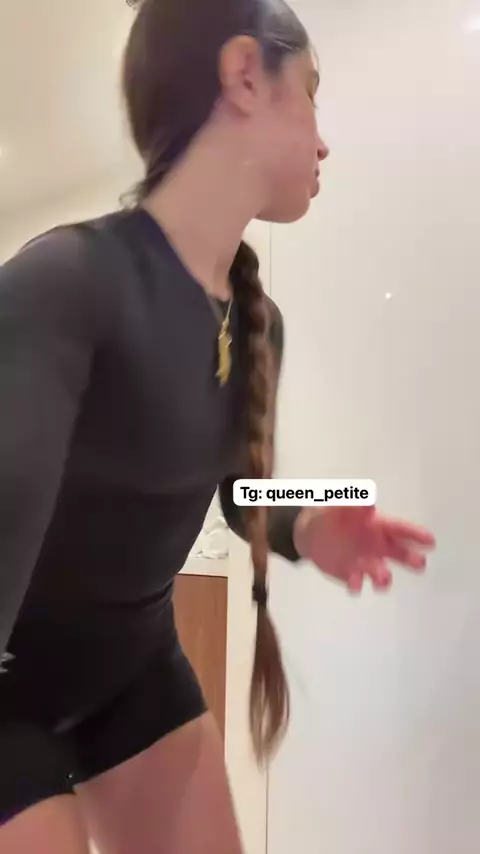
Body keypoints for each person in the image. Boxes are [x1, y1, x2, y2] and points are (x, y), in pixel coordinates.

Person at [0, 0, 436, 851]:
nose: (324, 141)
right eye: (310, 92)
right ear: (244, 76)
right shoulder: (65, 281)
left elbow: (239, 494)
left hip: (134, 671)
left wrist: (311, 522)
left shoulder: (258, 323)